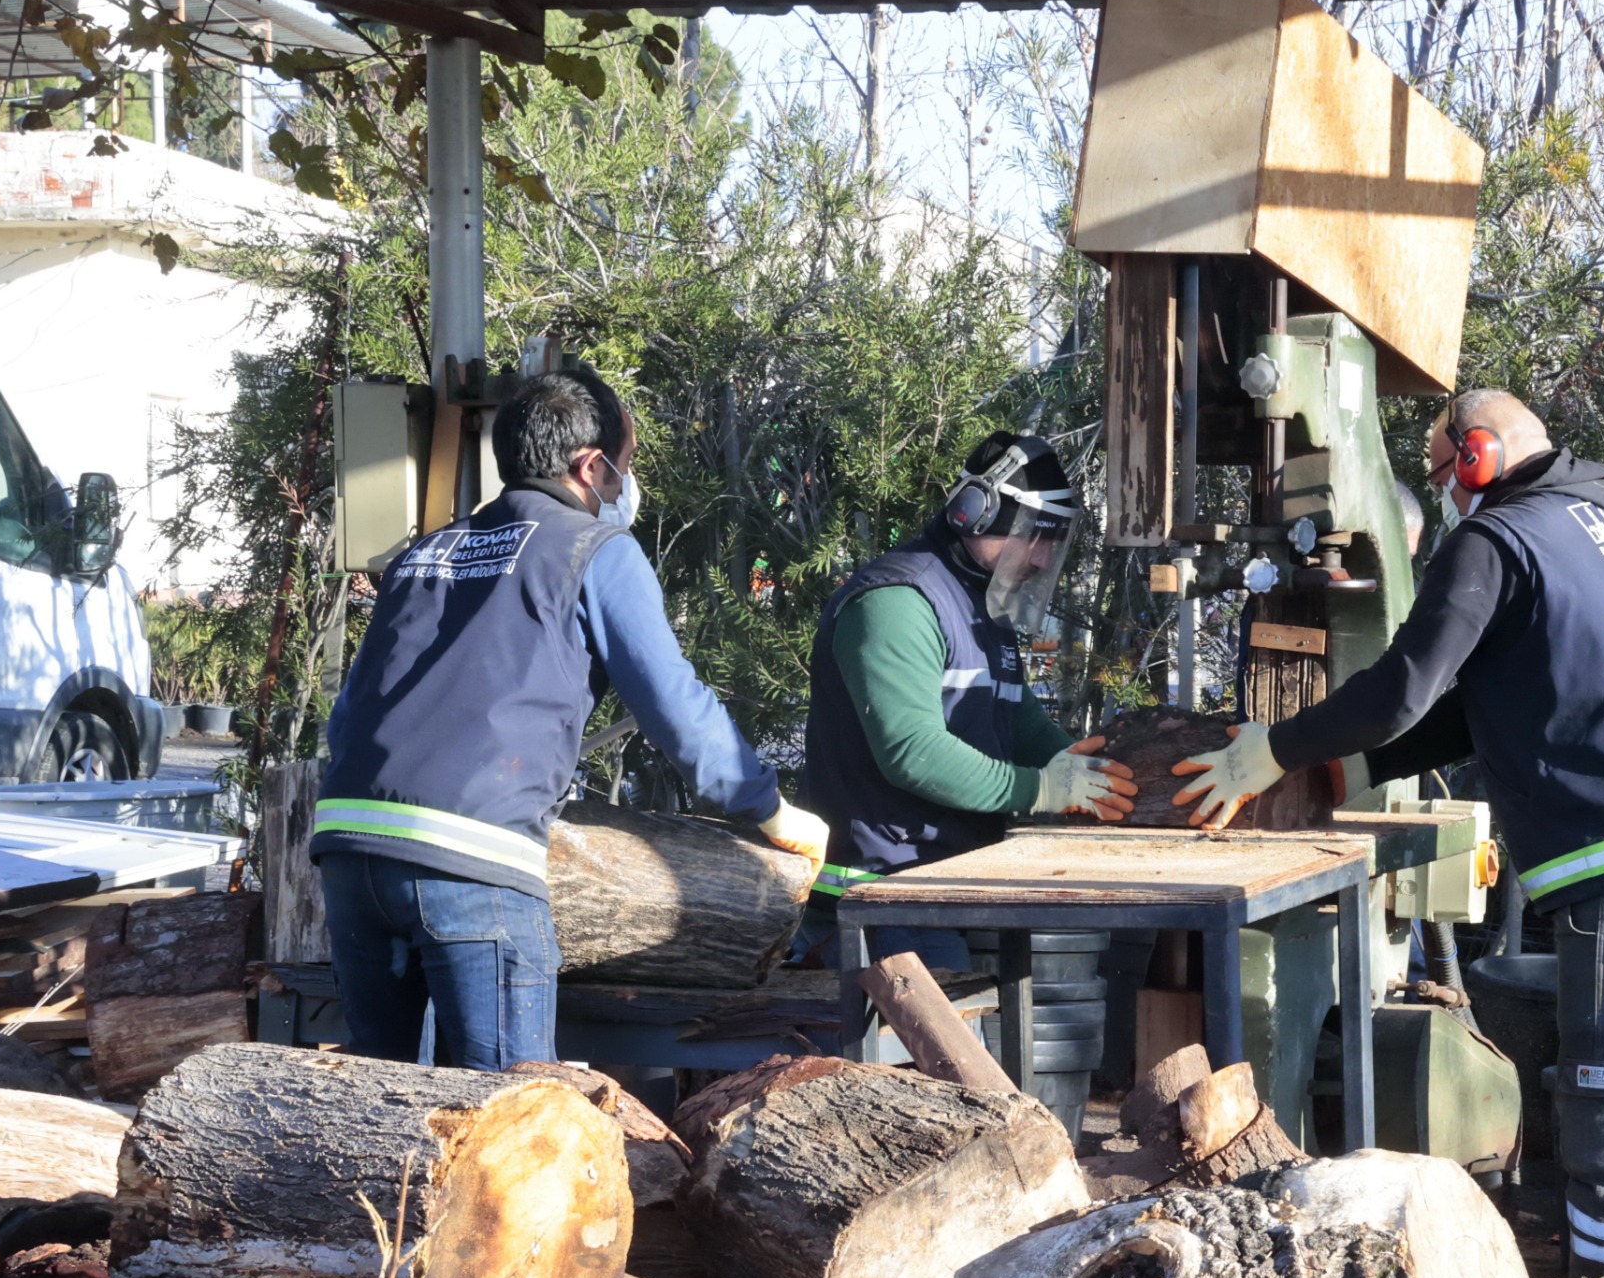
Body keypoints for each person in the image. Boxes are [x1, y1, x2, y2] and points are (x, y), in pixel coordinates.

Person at [1173, 389, 1604, 1278]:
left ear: (1480, 458)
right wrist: (1336, 774)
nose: (1447, 495)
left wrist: (1272, 749)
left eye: (1447, 475)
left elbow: (1404, 687)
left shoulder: (1494, 539)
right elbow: (1471, 711)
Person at [312, 367, 827, 1070]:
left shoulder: (423, 553)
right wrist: (770, 810)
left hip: (348, 853)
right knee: (507, 1123)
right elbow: (676, 707)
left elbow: (348, 718)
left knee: (383, 1107)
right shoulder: (595, 550)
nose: (624, 488)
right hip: (472, 863)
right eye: (625, 470)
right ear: (591, 467)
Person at [801, 431, 1136, 971]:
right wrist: (1042, 788)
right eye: (1036, 536)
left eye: (1055, 540)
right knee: (946, 1056)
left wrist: (1080, 766)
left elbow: (1015, 714)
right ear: (973, 512)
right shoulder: (897, 602)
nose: (1043, 556)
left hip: (940, 886)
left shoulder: (980, 604)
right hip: (878, 896)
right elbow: (914, 752)